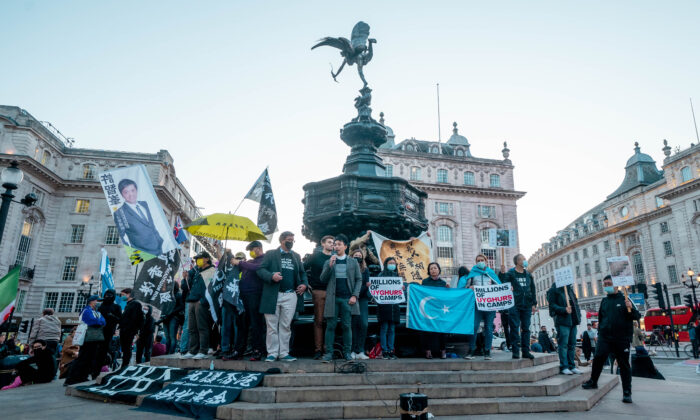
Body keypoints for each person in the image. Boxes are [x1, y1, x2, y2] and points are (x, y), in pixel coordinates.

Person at [582, 275, 641, 404]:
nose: (606, 286)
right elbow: (601, 318)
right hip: (605, 337)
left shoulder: (625, 298)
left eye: (608, 283)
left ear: (616, 285)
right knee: (598, 359)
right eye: (605, 284)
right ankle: (593, 381)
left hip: (621, 338)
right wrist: (600, 332)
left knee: (624, 365)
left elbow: (637, 316)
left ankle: (627, 393)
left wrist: (629, 307)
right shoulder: (604, 301)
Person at [257, 231, 308, 362]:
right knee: (271, 326)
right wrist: (271, 276)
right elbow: (260, 270)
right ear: (282, 240)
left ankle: (284, 353)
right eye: (289, 240)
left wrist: (304, 284)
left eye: (292, 240)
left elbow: (302, 273)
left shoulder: (296, 256)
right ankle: (272, 353)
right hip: (273, 295)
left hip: (291, 295)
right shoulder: (270, 254)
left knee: (286, 325)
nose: (291, 242)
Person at [320, 234, 362, 363]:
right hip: (333, 299)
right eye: (335, 244)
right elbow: (322, 279)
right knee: (330, 326)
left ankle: (347, 353)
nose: (336, 246)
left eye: (339, 244)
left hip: (347, 299)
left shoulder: (353, 262)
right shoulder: (329, 261)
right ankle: (328, 354)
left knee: (346, 326)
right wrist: (330, 266)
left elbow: (358, 279)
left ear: (345, 246)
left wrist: (355, 295)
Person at [461, 254, 500, 360]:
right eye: (478, 260)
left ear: (486, 261)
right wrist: (470, 287)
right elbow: (465, 288)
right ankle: (471, 350)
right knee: (474, 327)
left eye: (482, 260)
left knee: (488, 328)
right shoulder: (472, 274)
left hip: (490, 306)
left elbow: (500, 287)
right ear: (475, 262)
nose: (480, 262)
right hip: (476, 305)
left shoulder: (491, 273)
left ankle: (487, 351)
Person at [113, 178, 164, 256]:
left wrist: (159, 240)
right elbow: (122, 236)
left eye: (133, 190)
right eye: (126, 192)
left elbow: (151, 225)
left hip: (158, 247)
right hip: (142, 253)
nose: (131, 195)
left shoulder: (144, 204)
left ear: (136, 190)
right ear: (122, 194)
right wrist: (134, 253)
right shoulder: (119, 213)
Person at [233, 241, 266, 361]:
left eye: (252, 249)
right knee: (242, 324)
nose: (250, 252)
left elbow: (257, 268)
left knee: (256, 324)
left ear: (258, 248)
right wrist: (225, 254)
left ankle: (257, 350)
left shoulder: (265, 259)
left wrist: (241, 262)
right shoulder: (249, 262)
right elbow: (236, 264)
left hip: (255, 295)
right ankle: (239, 350)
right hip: (243, 296)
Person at [500, 254, 537, 360]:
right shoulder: (511, 273)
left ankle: (526, 351)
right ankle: (515, 351)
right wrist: (504, 276)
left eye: (525, 259)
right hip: (515, 305)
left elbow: (532, 289)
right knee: (514, 328)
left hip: (527, 305)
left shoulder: (528, 275)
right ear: (517, 262)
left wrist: (534, 303)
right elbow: (503, 284)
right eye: (522, 259)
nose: (524, 260)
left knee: (526, 329)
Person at [304, 235, 334, 359]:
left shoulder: (336, 257)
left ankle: (328, 349)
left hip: (333, 292)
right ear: (323, 244)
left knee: (331, 322)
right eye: (329, 242)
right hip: (319, 291)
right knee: (319, 321)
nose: (332, 244)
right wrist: (306, 283)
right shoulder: (315, 257)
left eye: (333, 242)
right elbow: (302, 268)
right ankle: (318, 349)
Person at [181, 251, 217, 359]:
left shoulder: (212, 271)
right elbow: (185, 287)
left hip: (201, 302)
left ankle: (203, 350)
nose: (197, 261)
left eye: (200, 258)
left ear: (207, 259)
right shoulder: (196, 271)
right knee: (192, 328)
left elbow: (213, 288)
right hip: (191, 301)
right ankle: (193, 350)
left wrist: (204, 300)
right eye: (197, 259)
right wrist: (185, 278)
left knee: (202, 327)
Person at [65, 296, 106, 385]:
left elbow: (104, 321)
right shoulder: (86, 310)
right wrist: (98, 321)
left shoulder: (97, 312)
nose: (99, 302)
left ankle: (82, 376)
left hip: (94, 337)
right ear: (91, 301)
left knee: (89, 358)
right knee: (82, 357)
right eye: (97, 300)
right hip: (87, 337)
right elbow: (92, 321)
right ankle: (71, 378)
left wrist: (98, 321)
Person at [547, 281, 582, 375]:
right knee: (564, 344)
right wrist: (564, 309)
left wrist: (579, 317)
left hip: (573, 321)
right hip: (562, 321)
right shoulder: (553, 290)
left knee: (572, 344)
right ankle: (564, 366)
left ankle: (572, 366)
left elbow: (576, 304)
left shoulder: (569, 289)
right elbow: (552, 305)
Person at [422, 262, 449, 359]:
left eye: (435, 268)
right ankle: (428, 351)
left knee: (442, 331)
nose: (433, 270)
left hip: (440, 311)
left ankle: (443, 351)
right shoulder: (425, 282)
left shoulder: (443, 283)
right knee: (428, 331)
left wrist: (448, 289)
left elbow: (446, 297)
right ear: (429, 271)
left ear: (439, 270)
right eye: (431, 268)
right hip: (428, 310)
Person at [377, 257, 401, 359]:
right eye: (390, 263)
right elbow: (377, 288)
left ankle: (391, 349)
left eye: (394, 263)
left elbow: (399, 291)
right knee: (384, 328)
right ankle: (384, 350)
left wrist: (402, 288)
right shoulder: (381, 275)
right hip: (384, 306)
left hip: (394, 307)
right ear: (386, 264)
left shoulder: (397, 276)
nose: (392, 265)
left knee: (392, 329)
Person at [350, 248, 371, 360]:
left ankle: (360, 350)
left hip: (362, 299)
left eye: (359, 255)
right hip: (351, 300)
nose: (358, 256)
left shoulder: (365, 270)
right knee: (354, 324)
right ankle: (353, 350)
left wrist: (356, 293)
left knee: (364, 324)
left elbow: (366, 285)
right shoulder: (349, 269)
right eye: (355, 255)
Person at [97, 289, 122, 369]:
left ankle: (102, 366)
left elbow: (120, 319)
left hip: (109, 331)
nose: (107, 297)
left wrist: (112, 316)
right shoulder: (100, 306)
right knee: (97, 349)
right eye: (106, 295)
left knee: (104, 349)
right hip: (98, 330)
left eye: (110, 295)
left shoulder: (116, 307)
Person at [119, 288, 144, 367]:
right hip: (125, 329)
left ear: (128, 294)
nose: (121, 296)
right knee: (124, 347)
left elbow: (137, 318)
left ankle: (125, 364)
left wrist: (135, 331)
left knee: (127, 347)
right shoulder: (128, 304)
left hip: (129, 330)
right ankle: (125, 362)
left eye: (123, 295)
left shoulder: (135, 304)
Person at [159, 282, 184, 354]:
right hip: (165, 318)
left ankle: (171, 352)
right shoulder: (167, 295)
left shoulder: (178, 295)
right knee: (167, 337)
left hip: (174, 317)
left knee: (172, 336)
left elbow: (181, 306)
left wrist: (171, 312)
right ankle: (167, 352)